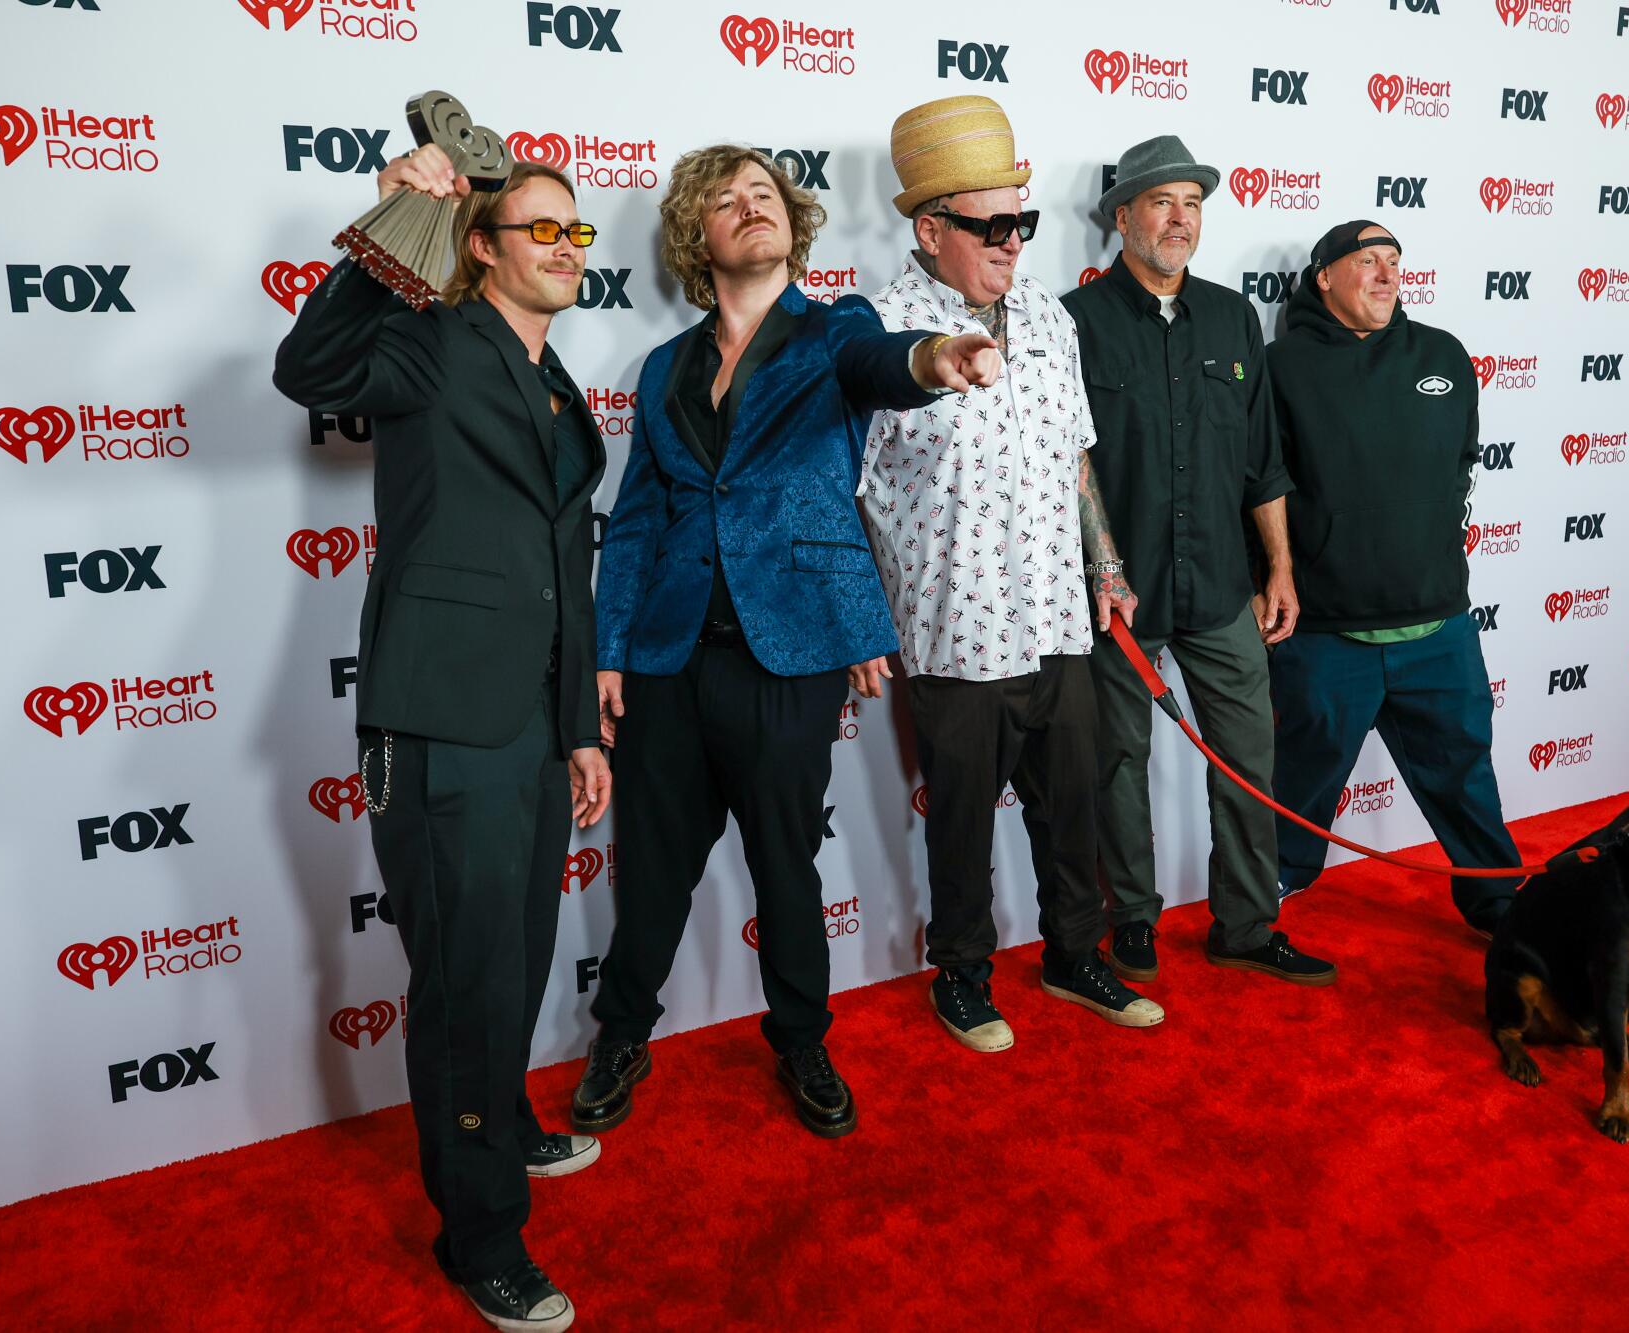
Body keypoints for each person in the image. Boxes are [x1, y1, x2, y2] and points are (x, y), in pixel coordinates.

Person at [571, 145, 998, 1137]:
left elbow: (885, 366)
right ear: (698, 238)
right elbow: (634, 517)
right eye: (724, 200)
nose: (747, 207)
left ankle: (802, 1037)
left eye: (762, 193)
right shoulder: (663, 366)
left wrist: (940, 359)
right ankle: (619, 1033)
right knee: (653, 869)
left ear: (791, 222)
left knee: (784, 865)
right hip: (667, 657)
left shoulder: (833, 329)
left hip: (790, 649)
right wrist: (607, 647)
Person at [274, 148, 612, 1332]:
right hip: (436, 715)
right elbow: (306, 366)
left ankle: (505, 1121)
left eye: (576, 234)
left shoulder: (561, 385)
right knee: (465, 979)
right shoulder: (427, 340)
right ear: (483, 244)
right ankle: (479, 1235)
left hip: (528, 719)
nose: (566, 249)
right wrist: (401, 214)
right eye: (540, 230)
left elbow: (567, 573)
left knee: (514, 950)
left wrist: (579, 729)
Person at [861, 95, 1165, 1053]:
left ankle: (1075, 955)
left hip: (1059, 617)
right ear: (930, 227)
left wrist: (1105, 565)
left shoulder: (1046, 315)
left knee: (1069, 804)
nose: (1012, 243)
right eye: (991, 226)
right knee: (959, 821)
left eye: (1021, 222)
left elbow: (1075, 455)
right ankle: (961, 973)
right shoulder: (876, 329)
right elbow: (850, 489)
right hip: (955, 628)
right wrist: (868, 621)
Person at [1060, 135, 1334, 986]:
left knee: (1250, 757)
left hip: (1222, 585)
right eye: (1161, 203)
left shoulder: (1231, 317)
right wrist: (1099, 570)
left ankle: (1247, 924)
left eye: (1192, 204)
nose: (1179, 220)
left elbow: (1262, 461)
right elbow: (1064, 464)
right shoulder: (1072, 321)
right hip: (1119, 594)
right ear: (1123, 218)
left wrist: (1279, 569)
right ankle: (1132, 917)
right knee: (1117, 762)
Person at [1265, 220, 1524, 937]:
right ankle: (1270, 890)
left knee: (1467, 780)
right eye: (1366, 261)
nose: (1385, 274)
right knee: (1300, 784)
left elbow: (1463, 461)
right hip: (1325, 633)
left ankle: (1501, 903)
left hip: (1438, 626)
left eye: (1393, 261)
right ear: (1325, 277)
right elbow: (1263, 482)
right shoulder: (1282, 365)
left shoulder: (1442, 353)